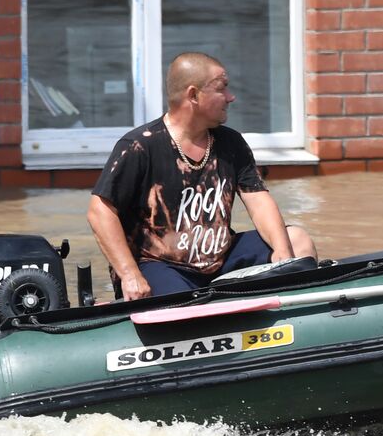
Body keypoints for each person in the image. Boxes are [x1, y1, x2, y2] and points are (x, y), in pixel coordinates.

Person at [88, 51, 316, 300]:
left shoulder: (231, 142)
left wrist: (283, 255)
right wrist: (129, 275)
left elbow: (258, 200)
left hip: (221, 257)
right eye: (222, 89)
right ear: (194, 95)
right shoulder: (139, 146)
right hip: (158, 264)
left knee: (298, 240)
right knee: (188, 303)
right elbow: (100, 212)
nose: (231, 97)